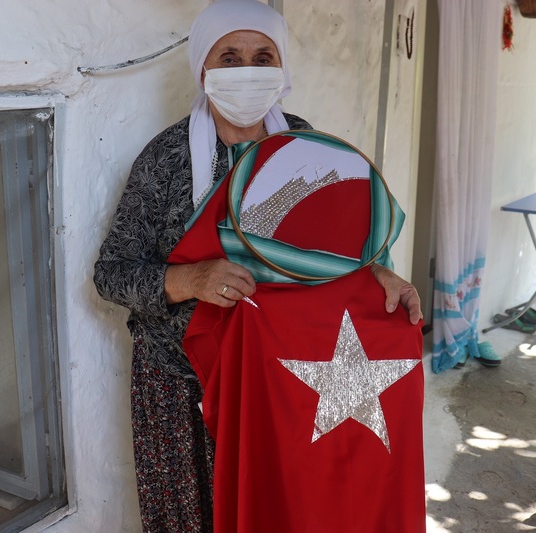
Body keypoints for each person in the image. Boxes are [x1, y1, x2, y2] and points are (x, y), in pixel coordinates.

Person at [93, 1, 422, 531]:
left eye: (263, 56)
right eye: (229, 56)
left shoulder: (306, 145)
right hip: (180, 388)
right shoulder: (166, 159)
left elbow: (343, 242)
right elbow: (111, 273)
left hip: (278, 385)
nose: (247, 70)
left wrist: (380, 272)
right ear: (203, 69)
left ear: (282, 68)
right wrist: (191, 280)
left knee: (273, 514)